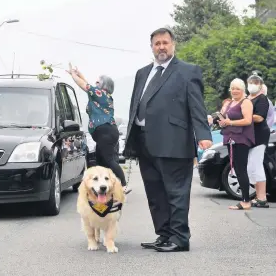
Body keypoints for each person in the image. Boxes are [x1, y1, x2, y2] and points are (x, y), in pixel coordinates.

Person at [123, 27, 212, 252]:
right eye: (157, 43)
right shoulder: (142, 73)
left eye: (165, 42)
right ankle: (164, 234)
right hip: (144, 141)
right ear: (151, 46)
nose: (161, 47)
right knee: (155, 192)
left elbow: (197, 106)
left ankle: (180, 238)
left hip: (174, 141)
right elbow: (136, 104)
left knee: (176, 192)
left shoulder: (187, 71)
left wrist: (203, 135)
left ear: (173, 45)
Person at [66, 65, 131, 194]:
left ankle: (123, 185)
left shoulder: (100, 94)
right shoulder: (100, 95)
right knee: (101, 162)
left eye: (98, 82)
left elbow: (84, 86)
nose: (95, 84)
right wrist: (79, 74)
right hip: (105, 132)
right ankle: (105, 187)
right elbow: (88, 85)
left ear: (103, 86)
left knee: (108, 160)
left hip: (106, 132)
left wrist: (73, 75)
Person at [215, 78, 254, 210]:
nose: (235, 91)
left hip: (241, 139)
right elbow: (225, 118)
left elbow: (248, 120)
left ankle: (246, 201)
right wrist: (221, 121)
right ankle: (245, 200)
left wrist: (229, 122)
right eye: (232, 88)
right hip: (230, 138)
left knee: (241, 169)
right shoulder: (229, 102)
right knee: (237, 169)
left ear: (243, 89)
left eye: (237, 88)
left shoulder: (246, 102)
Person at [246, 74, 270, 208]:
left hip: (260, 136)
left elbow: (260, 118)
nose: (252, 84)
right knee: (250, 167)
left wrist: (244, 115)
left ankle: (262, 197)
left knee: (256, 165)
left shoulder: (262, 99)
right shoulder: (247, 98)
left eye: (255, 82)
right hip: (249, 136)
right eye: (250, 82)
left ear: (260, 86)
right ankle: (258, 195)